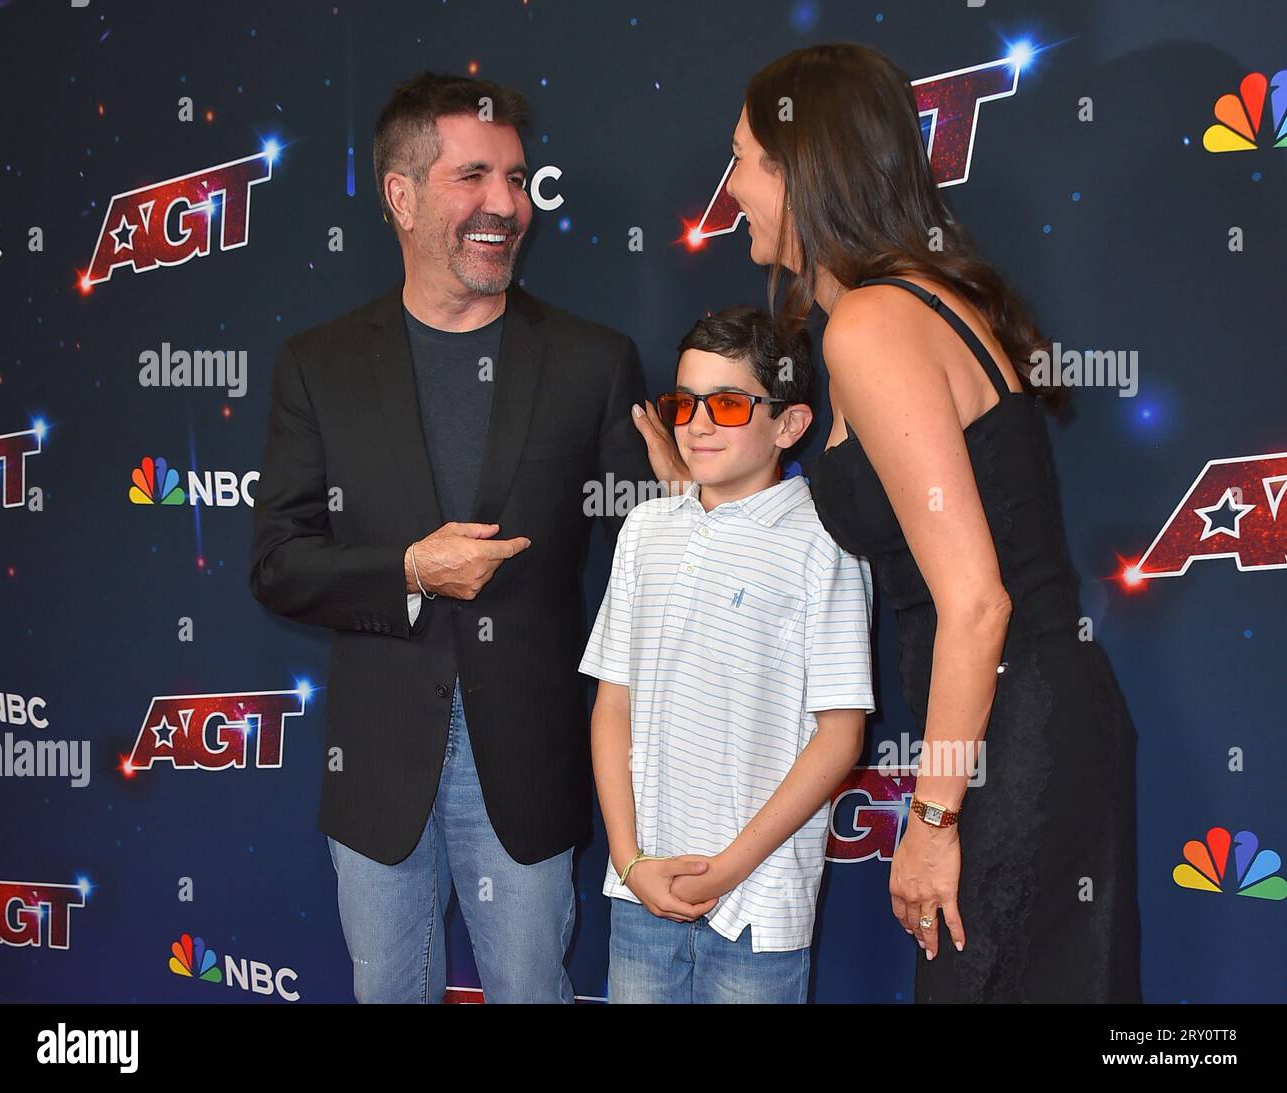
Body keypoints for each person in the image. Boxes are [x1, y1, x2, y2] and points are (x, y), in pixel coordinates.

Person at [631, 42, 1142, 1003]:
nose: (729, 186)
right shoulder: (903, 306)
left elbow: (977, 604)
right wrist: (692, 493)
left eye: (742, 159)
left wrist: (936, 816)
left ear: (803, 172)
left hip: (1007, 737)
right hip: (1026, 719)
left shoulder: (871, 323)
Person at [249, 71, 654, 1003]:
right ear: (401, 195)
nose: (505, 205)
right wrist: (407, 571)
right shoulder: (319, 365)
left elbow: (651, 557)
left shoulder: (595, 361)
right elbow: (278, 564)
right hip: (378, 766)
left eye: (515, 179)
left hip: (529, 759)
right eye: (473, 177)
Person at [582, 306, 876, 1003]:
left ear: (790, 424)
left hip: (761, 903)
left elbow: (840, 734)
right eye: (684, 402)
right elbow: (611, 704)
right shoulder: (646, 531)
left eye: (729, 403)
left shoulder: (823, 542)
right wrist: (629, 860)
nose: (698, 423)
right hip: (640, 891)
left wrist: (727, 870)